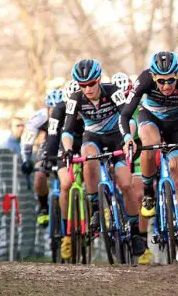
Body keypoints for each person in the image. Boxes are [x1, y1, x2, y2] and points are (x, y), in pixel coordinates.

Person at [120, 51, 178, 262]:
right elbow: (125, 114)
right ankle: (148, 191)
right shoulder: (144, 79)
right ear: (153, 78)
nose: (167, 86)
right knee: (150, 144)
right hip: (150, 117)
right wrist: (127, 137)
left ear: (177, 76)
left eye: (171, 80)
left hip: (177, 124)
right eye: (161, 81)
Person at [61, 59, 143, 261]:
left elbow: (129, 119)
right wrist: (68, 150)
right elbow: (68, 130)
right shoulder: (75, 99)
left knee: (126, 184)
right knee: (88, 158)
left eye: (90, 84)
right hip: (93, 137)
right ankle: (97, 209)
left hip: (117, 136)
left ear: (98, 80)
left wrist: (128, 139)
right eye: (82, 85)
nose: (87, 89)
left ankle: (134, 231)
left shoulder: (112, 90)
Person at [46, 81, 85, 260]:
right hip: (64, 148)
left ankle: (92, 215)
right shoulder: (59, 111)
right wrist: (51, 157)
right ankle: (66, 233)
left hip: (84, 145)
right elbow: (53, 136)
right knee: (66, 184)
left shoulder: (88, 107)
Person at [21, 91, 62, 226]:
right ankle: (43, 207)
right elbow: (27, 141)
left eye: (59, 109)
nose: (55, 113)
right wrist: (26, 160)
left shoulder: (72, 113)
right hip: (49, 143)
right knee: (39, 173)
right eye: (52, 109)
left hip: (68, 142)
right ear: (47, 109)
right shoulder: (39, 117)